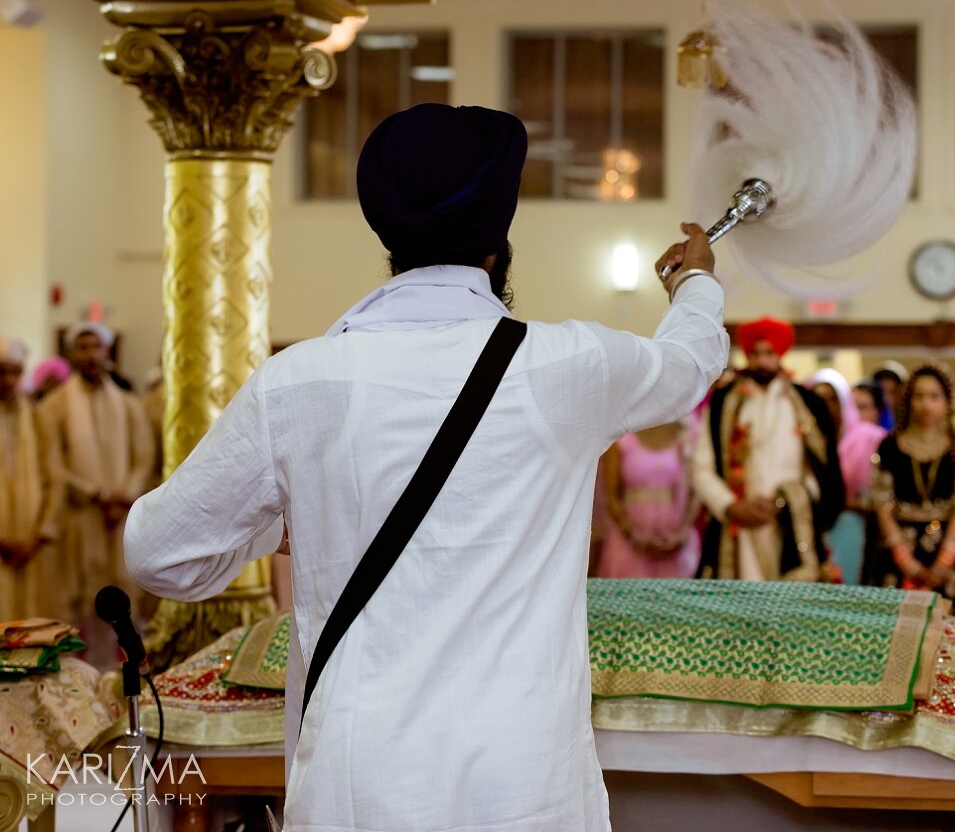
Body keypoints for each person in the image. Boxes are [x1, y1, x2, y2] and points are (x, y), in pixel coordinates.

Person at [123, 103, 729, 832]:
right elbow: (690, 363)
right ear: (498, 244)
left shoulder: (301, 382)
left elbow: (157, 554)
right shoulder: (568, 366)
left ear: (387, 236)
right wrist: (695, 284)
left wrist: (282, 524)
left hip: (361, 782)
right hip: (524, 782)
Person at [693, 317, 844, 582]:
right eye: (756, 353)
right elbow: (701, 467)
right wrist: (730, 506)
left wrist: (786, 501)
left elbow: (821, 469)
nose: (762, 361)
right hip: (738, 525)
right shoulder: (722, 403)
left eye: (769, 353)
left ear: (780, 355)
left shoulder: (809, 404)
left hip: (792, 526)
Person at [39, 321, 153, 642]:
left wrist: (124, 495)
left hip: (121, 516)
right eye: (83, 348)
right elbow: (54, 465)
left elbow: (144, 456)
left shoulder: (129, 403)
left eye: (96, 347)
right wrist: (98, 495)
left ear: (108, 352)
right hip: (81, 515)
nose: (91, 355)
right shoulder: (55, 405)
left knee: (123, 590)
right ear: (72, 355)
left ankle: (119, 673)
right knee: (77, 595)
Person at [866, 365, 955, 628]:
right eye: (919, 396)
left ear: (948, 402)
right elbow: (882, 503)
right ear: (908, 400)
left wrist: (945, 558)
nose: (926, 404)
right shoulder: (891, 446)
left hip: (947, 548)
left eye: (934, 397)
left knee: (949, 630)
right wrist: (905, 559)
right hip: (900, 547)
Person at [0, 337, 60, 620]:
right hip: (2, 548)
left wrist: (38, 537)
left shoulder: (38, 417)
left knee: (32, 626)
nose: (8, 379)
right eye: (1, 371)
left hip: (33, 547)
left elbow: (54, 479)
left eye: (14, 371)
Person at [595, 420, 701, 579]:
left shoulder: (685, 433)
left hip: (672, 547)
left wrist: (680, 535)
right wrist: (635, 537)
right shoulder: (619, 437)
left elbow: (695, 490)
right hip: (628, 545)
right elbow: (611, 498)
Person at [810, 369, 887, 585]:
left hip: (855, 526)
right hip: (812, 528)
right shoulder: (807, 440)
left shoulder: (868, 437)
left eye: (833, 399)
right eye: (818, 398)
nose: (826, 405)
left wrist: (846, 502)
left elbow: (881, 494)